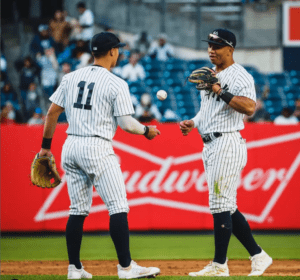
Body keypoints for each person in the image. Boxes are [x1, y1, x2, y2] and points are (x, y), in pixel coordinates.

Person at [37, 31, 161, 279]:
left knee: (77, 209)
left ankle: (75, 268)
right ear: (113, 51)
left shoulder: (70, 77)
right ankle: (126, 268)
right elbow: (127, 124)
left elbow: (52, 114)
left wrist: (45, 148)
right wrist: (147, 130)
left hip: (70, 145)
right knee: (118, 206)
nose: (120, 53)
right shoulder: (117, 83)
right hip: (97, 147)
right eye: (119, 49)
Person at [179, 29, 273, 277]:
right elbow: (206, 109)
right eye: (210, 45)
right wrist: (193, 122)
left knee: (219, 203)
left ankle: (220, 265)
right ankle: (258, 255)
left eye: (217, 46)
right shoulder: (210, 75)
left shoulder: (240, 75)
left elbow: (250, 107)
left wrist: (220, 90)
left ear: (230, 49)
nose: (211, 49)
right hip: (210, 145)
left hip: (227, 143)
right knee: (226, 205)